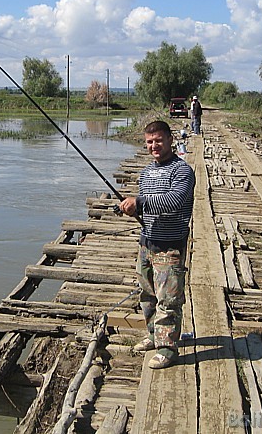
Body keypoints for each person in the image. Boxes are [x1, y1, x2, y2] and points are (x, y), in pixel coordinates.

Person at [118, 120, 195, 369]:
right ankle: (153, 335)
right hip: (147, 243)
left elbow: (174, 201)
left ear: (170, 140)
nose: (154, 146)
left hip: (170, 245)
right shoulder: (146, 173)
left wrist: (139, 203)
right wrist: (132, 209)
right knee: (148, 295)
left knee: (169, 300)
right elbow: (148, 205)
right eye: (150, 142)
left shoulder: (182, 172)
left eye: (158, 140)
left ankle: (167, 349)